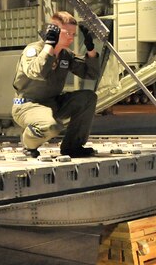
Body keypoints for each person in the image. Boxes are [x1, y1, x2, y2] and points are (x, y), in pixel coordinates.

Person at [12, 11, 100, 158]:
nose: (72, 38)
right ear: (54, 31)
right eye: (68, 33)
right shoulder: (34, 50)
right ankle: (28, 144)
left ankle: (73, 146)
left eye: (73, 34)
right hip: (27, 105)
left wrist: (91, 49)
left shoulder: (66, 55)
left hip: (52, 103)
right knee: (51, 127)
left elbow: (91, 74)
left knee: (88, 98)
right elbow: (36, 72)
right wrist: (49, 45)